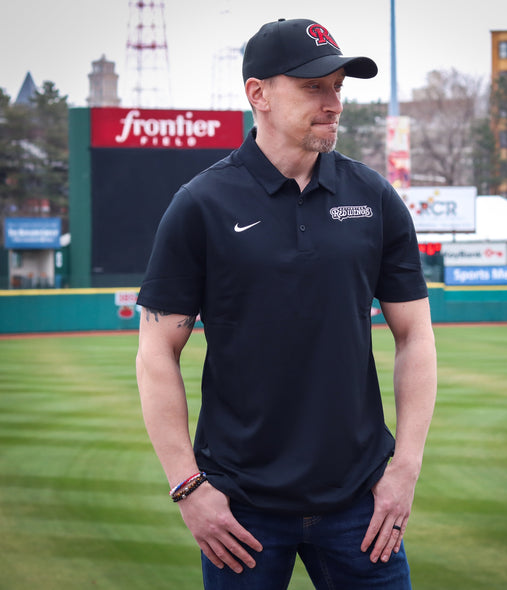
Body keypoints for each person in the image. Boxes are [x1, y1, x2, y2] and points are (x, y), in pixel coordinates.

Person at [136, 17, 437, 590]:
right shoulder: (200, 204)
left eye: (338, 87)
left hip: (360, 506)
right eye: (313, 87)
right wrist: (188, 487)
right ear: (259, 94)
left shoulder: (373, 198)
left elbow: (415, 336)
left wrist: (406, 469)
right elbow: (156, 351)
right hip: (241, 510)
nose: (333, 104)